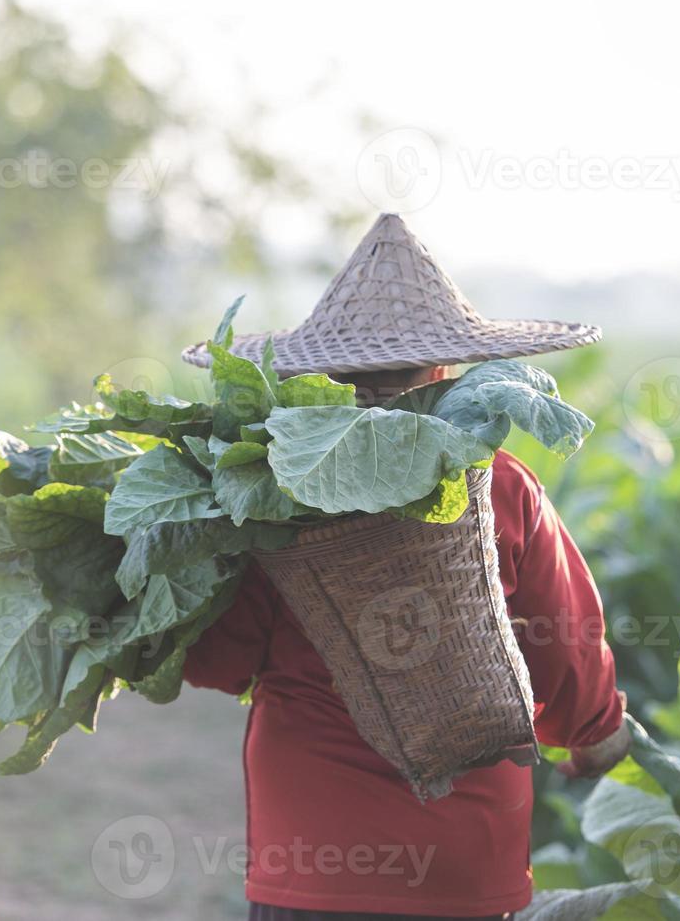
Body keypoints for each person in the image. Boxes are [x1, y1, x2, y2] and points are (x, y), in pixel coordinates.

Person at [180, 214, 628, 919]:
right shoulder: (498, 486)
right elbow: (564, 645)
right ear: (444, 372)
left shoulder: (272, 491)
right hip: (464, 861)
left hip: (314, 856)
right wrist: (594, 734)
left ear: (322, 372)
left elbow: (218, 663)